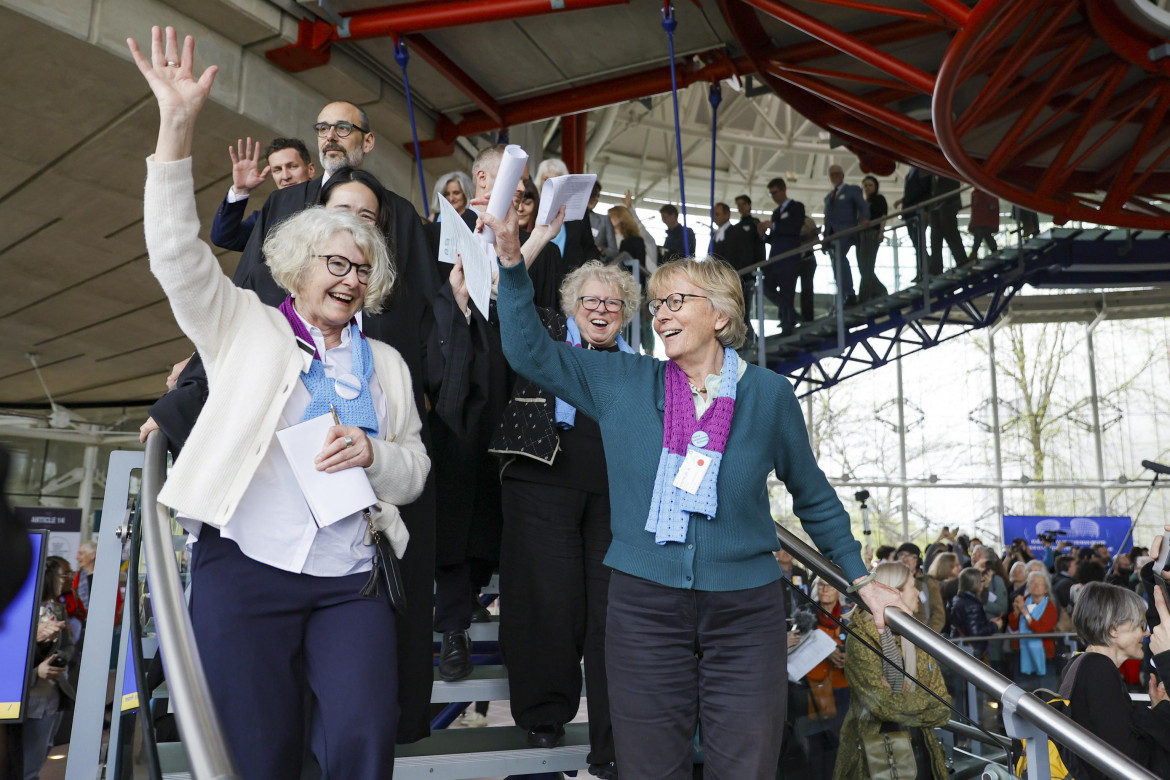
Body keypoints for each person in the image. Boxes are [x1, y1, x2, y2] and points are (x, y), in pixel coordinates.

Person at [484, 195, 903, 777]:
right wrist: (510, 263)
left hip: (745, 610)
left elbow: (812, 495)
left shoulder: (770, 396)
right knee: (650, 767)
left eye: (677, 301)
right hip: (642, 605)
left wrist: (859, 577)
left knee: (746, 765)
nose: (659, 314)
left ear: (722, 316)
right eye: (656, 305)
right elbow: (526, 348)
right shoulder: (620, 380)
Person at [128, 27, 430, 778]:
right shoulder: (244, 326)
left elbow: (417, 467)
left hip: (349, 575)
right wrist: (175, 125)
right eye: (337, 262)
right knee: (257, 755)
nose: (352, 278)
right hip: (245, 567)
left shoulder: (384, 364)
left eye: (364, 268)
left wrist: (377, 455)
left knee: (364, 737)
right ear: (298, 267)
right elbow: (175, 254)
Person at [489, 261, 640, 777]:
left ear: (625, 314)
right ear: (572, 306)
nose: (601, 310)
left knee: (610, 613)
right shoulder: (547, 334)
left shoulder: (636, 363)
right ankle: (545, 714)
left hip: (611, 495)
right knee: (547, 602)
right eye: (591, 301)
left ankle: (613, 738)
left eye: (612, 303)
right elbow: (508, 306)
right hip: (540, 480)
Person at [833, 562, 952, 780]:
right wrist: (923, 699)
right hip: (875, 756)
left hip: (922, 752)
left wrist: (900, 698)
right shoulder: (861, 639)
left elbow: (943, 707)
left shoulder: (916, 635)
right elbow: (882, 707)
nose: (918, 592)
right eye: (912, 587)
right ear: (893, 592)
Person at [1063, 580, 1170, 780]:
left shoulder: (1083, 664)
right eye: (1141, 624)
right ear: (1113, 629)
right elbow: (1128, 757)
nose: (1147, 632)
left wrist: (1156, 709)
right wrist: (1164, 710)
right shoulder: (1098, 669)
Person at [211, 137, 315, 251]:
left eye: (292, 166)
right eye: (277, 170)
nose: (285, 176)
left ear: (310, 170)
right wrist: (240, 190)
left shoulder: (331, 203)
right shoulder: (266, 218)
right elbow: (223, 238)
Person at [23, 559, 76, 780]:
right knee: (28, 767)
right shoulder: (19, 612)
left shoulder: (56, 608)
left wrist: (59, 658)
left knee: (42, 754)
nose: (65, 580)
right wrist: (37, 672)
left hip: (53, 698)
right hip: (27, 701)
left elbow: (68, 645)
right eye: (61, 576)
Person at [800, 577, 852, 777]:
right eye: (821, 585)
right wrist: (825, 651)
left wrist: (848, 656)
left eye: (830, 585)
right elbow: (796, 646)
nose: (825, 589)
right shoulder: (806, 613)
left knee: (840, 742)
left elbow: (858, 646)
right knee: (816, 745)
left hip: (843, 686)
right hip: (814, 688)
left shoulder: (848, 614)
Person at [757, 178, 805, 333]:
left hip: (790, 258)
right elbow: (776, 237)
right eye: (771, 194)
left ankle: (787, 324)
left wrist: (774, 226)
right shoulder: (776, 213)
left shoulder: (797, 207)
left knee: (787, 290)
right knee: (766, 286)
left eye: (775, 192)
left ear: (784, 189)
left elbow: (794, 229)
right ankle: (790, 314)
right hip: (776, 258)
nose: (773, 196)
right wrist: (764, 235)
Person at [822, 164, 868, 306]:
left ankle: (849, 294)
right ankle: (844, 296)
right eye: (832, 175)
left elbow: (863, 205)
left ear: (842, 175)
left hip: (847, 231)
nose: (835, 177)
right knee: (836, 264)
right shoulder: (828, 198)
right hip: (833, 236)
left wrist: (865, 219)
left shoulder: (852, 190)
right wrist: (825, 239)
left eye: (837, 174)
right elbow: (827, 219)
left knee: (839, 259)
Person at [1006, 570, 1058, 690]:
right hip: (1021, 652)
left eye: (1040, 583)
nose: (1036, 585)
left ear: (1045, 588)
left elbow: (1042, 629)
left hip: (1044, 655)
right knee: (1023, 691)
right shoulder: (1021, 601)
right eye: (1033, 582)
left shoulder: (1050, 607)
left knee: (1045, 693)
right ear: (1028, 586)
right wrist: (1016, 612)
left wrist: (1025, 612)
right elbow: (1013, 627)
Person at [856, 175, 889, 302]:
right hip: (862, 234)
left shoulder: (879, 199)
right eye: (865, 185)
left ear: (875, 187)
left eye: (870, 185)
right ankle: (879, 290)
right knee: (863, 266)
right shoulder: (863, 202)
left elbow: (883, 216)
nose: (868, 188)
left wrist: (881, 232)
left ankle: (864, 296)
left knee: (867, 265)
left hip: (872, 234)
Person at [588, 180, 618, 261]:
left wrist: (600, 250)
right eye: (593, 194)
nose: (596, 199)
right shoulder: (568, 218)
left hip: (594, 267)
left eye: (598, 195)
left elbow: (614, 252)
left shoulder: (604, 220)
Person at [968, 189, 999, 260]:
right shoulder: (977, 192)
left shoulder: (978, 192)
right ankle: (995, 252)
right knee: (986, 235)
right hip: (982, 218)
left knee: (981, 234)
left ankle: (974, 253)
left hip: (983, 218)